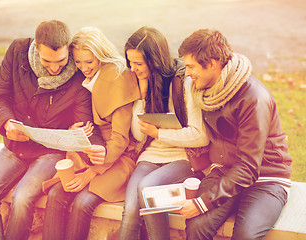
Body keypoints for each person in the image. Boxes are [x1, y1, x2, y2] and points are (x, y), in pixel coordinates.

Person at [0, 20, 105, 240]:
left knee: (22, 198)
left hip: (50, 153)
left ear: (69, 50)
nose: (55, 68)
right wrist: (6, 123)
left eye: (62, 60)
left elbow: (85, 124)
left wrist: (84, 139)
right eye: (47, 61)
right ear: (36, 47)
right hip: (16, 146)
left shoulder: (78, 75)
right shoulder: (17, 53)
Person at [178, 29, 292, 240]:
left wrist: (203, 202)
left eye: (191, 67)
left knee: (245, 235)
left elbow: (249, 167)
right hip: (225, 171)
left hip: (265, 177)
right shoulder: (207, 90)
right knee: (196, 227)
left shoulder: (254, 98)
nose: (188, 73)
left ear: (212, 64)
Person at [42, 26, 141, 240]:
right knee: (57, 194)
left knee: (82, 203)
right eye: (78, 62)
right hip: (90, 150)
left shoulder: (116, 78)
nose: (84, 68)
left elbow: (121, 139)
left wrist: (90, 173)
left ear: (101, 55)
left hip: (118, 157)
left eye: (89, 61)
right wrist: (73, 131)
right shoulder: (85, 78)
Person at [118, 26, 209, 240]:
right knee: (130, 208)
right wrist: (141, 97)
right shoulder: (144, 82)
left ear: (155, 60)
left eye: (138, 63)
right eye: (130, 62)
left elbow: (200, 135)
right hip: (150, 156)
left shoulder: (184, 83)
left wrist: (159, 134)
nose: (133, 69)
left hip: (183, 157)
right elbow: (140, 136)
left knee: (147, 188)